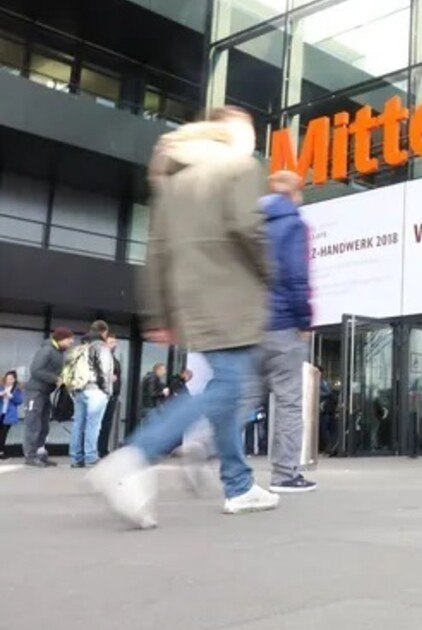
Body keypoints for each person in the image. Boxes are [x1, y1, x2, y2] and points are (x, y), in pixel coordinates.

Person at [89, 105, 279, 528]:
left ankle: (238, 483)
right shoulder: (239, 166)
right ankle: (134, 457)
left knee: (225, 390)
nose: (253, 143)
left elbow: (155, 250)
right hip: (231, 292)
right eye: (249, 133)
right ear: (230, 133)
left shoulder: (171, 179)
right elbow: (249, 227)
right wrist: (272, 273)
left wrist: (160, 310)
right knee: (229, 386)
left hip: (191, 299)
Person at [239, 168, 318, 493]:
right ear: (295, 193)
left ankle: (202, 451)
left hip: (249, 324)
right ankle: (285, 474)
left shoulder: (251, 223)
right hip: (283, 323)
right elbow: (297, 278)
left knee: (242, 398)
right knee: (287, 401)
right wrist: (304, 320)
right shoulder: (294, 225)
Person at [66, 320, 115, 468]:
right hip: (95, 391)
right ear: (103, 331)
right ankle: (91, 456)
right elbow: (104, 370)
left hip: (79, 389)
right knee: (93, 424)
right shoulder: (101, 346)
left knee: (78, 424)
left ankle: (75, 458)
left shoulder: (81, 346)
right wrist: (107, 390)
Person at [22, 328, 74, 467]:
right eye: (69, 339)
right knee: (33, 424)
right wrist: (55, 378)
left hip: (44, 393)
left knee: (44, 426)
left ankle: (40, 454)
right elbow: (35, 370)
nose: (71, 342)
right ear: (61, 338)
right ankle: (30, 456)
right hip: (35, 392)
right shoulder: (47, 350)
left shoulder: (58, 352)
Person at [97, 336, 122, 458]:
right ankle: (98, 449)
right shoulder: (102, 357)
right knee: (100, 423)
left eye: (115, 342)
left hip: (113, 395)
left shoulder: (114, 358)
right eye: (111, 342)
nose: (114, 344)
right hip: (104, 394)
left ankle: (103, 449)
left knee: (107, 424)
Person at [1, 370, 23, 460]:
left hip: (8, 414)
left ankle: (1, 451)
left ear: (14, 380)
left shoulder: (16, 390)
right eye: (7, 378)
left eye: (11, 378)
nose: (9, 380)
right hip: (1, 412)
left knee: (3, 434)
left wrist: (11, 396)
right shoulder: (1, 387)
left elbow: (20, 401)